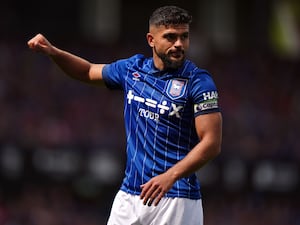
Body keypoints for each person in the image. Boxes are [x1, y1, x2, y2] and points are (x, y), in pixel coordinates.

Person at [28, 5, 222, 225]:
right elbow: (87, 71)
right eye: (170, 37)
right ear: (151, 39)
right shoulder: (132, 69)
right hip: (130, 196)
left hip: (177, 199)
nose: (179, 44)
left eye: (184, 37)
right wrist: (54, 52)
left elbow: (212, 143)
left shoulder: (198, 82)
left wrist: (171, 176)